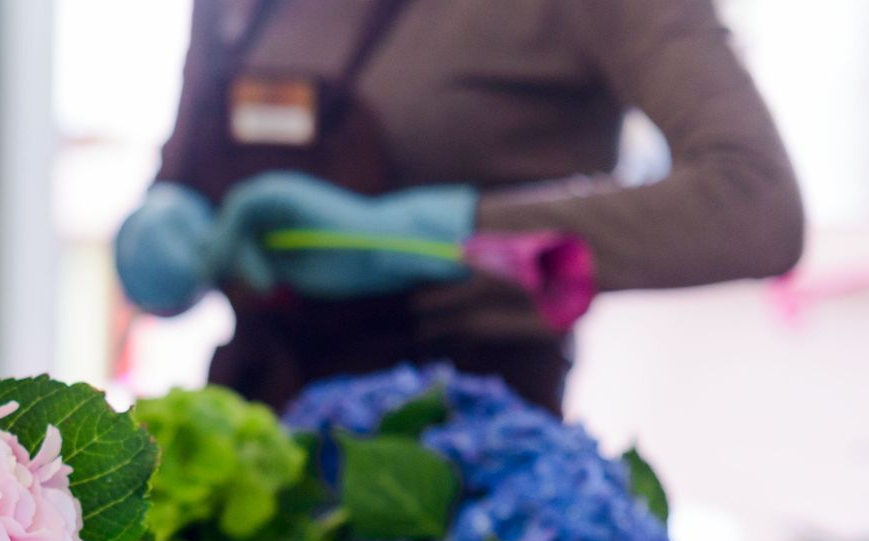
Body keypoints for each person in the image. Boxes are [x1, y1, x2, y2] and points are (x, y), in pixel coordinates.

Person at [115, 0, 804, 412]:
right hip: (249, 441)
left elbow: (753, 204)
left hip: (458, 481)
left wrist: (441, 240)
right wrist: (160, 231)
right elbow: (180, 178)